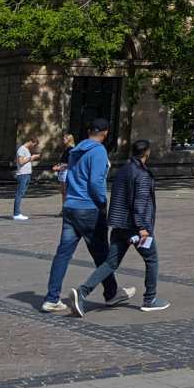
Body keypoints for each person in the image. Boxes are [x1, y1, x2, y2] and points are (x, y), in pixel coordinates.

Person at [42, 120, 133, 314]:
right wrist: (102, 202)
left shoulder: (76, 150)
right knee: (101, 253)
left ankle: (51, 298)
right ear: (106, 133)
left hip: (70, 206)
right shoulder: (98, 151)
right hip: (89, 208)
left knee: (63, 254)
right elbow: (95, 182)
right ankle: (110, 294)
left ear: (89, 130)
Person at [68, 139, 169, 315]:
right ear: (147, 153)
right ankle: (150, 299)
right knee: (152, 260)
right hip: (136, 227)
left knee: (110, 263)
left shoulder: (123, 170)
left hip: (118, 225)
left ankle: (83, 292)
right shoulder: (143, 174)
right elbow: (139, 204)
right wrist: (142, 227)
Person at [13, 137, 36, 221]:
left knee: (21, 193)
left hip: (27, 174)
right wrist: (31, 158)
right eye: (34, 144)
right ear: (31, 141)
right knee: (19, 194)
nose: (34, 146)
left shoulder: (26, 150)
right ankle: (16, 214)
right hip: (22, 174)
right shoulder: (22, 149)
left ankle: (17, 212)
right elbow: (21, 161)